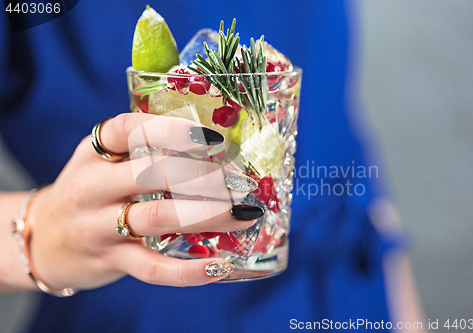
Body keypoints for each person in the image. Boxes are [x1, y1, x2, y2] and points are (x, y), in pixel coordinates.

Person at [0, 1, 424, 332]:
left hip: (350, 301)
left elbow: (342, 143)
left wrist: (404, 316)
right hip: (149, 312)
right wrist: (39, 233)